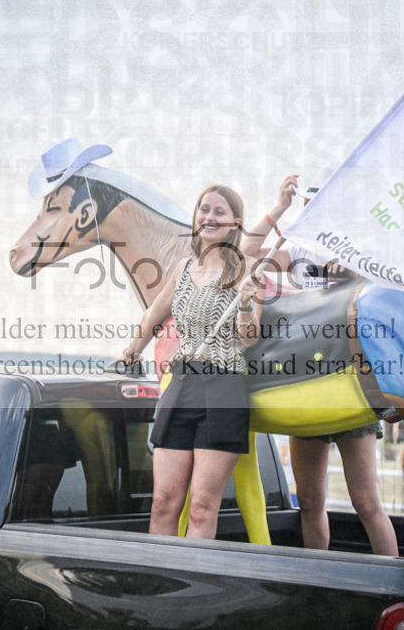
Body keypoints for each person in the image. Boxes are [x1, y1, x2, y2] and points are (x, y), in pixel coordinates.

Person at [241, 174, 399, 556]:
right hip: (307, 386)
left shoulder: (358, 247)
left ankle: (399, 580)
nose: (315, 212)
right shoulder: (295, 250)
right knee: (309, 501)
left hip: (350, 386)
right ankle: (317, 576)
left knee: (365, 501)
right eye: (309, 204)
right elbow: (245, 254)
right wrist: (279, 207)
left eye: (322, 204)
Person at [120, 184, 264, 540]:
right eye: (204, 209)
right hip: (181, 384)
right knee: (164, 502)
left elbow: (250, 338)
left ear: (235, 222)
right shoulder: (184, 267)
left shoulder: (247, 270)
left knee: (201, 506)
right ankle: (159, 583)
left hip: (225, 389)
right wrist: (131, 351)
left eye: (219, 211)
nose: (210, 217)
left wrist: (245, 303)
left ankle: (187, 591)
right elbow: (155, 313)